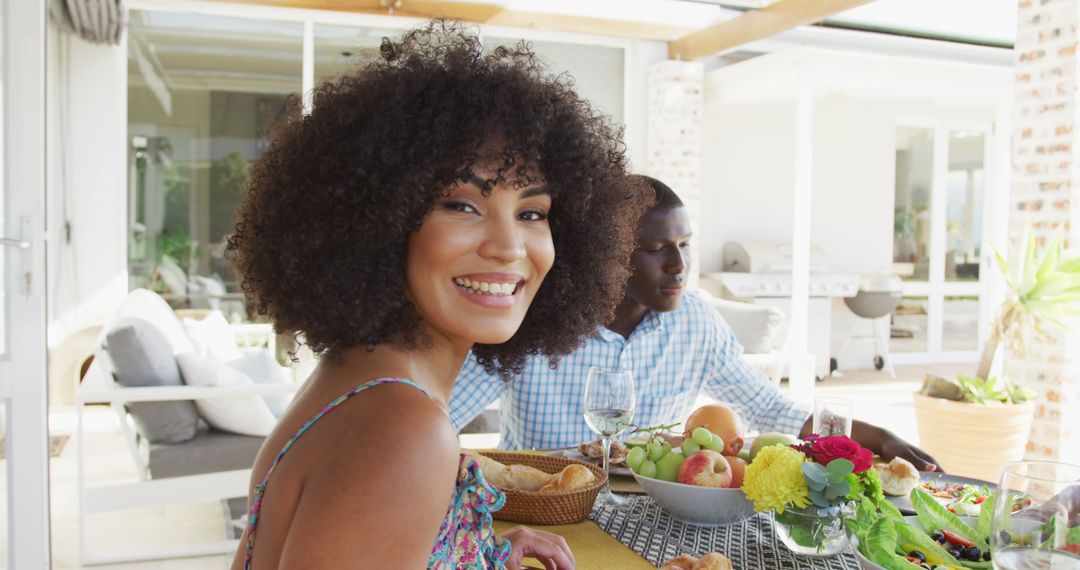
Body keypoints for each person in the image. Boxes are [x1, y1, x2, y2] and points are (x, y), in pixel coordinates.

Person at [227, 21, 646, 569]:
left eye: (532, 213)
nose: (507, 246)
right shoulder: (403, 430)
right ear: (379, 220)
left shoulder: (359, 377)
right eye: (462, 205)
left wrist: (477, 552)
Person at [450, 175, 942, 472]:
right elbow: (439, 414)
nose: (679, 265)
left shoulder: (696, 321)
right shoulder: (533, 320)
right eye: (657, 249)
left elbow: (768, 407)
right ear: (609, 257)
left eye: (684, 245)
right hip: (542, 515)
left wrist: (879, 437)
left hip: (649, 516)